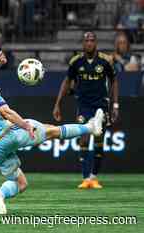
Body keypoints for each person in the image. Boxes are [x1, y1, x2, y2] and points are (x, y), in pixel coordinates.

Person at [0, 52, 105, 214]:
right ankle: (91, 127)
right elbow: (7, 113)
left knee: (21, 183)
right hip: (7, 136)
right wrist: (25, 126)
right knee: (51, 131)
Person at [53, 32, 119, 189]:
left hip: (101, 106)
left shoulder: (105, 60)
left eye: (92, 40)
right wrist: (58, 103)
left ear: (96, 43)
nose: (89, 43)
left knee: (98, 140)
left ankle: (94, 177)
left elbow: (114, 80)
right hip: (83, 106)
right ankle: (85, 178)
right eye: (86, 41)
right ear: (82, 44)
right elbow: (67, 81)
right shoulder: (76, 61)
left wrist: (115, 105)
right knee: (83, 138)